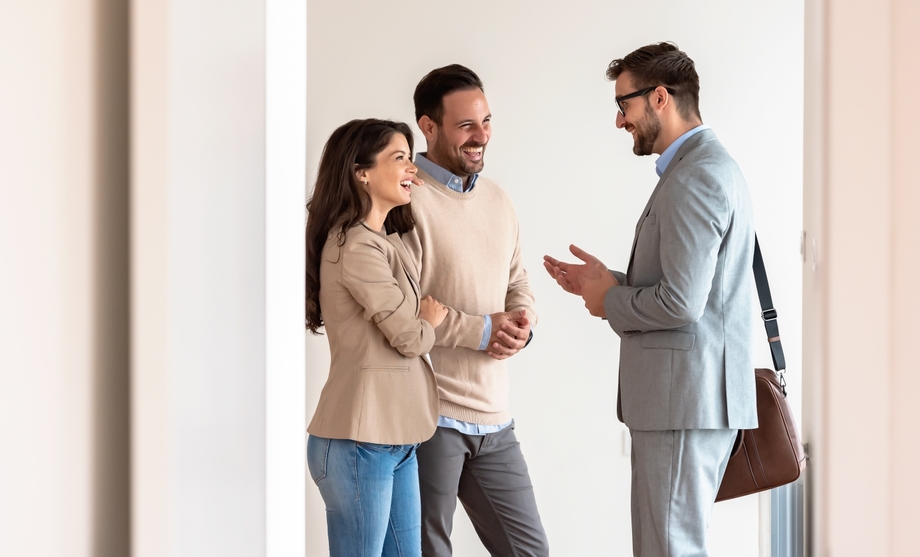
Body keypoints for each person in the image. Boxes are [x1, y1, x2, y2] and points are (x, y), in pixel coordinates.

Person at [542, 43, 758, 557]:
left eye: (625, 105)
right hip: (687, 401)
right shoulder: (703, 168)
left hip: (683, 402)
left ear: (659, 97)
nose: (620, 121)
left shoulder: (696, 176)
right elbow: (692, 284)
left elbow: (682, 303)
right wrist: (605, 282)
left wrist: (610, 301)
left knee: (669, 548)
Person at [402, 65, 549, 556]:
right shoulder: (405, 201)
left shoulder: (498, 200)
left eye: (486, 122)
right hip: (430, 414)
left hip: (494, 418)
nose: (481, 136)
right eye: (466, 125)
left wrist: (520, 326)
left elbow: (516, 279)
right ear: (428, 126)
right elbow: (405, 313)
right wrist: (484, 330)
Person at [305, 118, 449, 557]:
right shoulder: (355, 246)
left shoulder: (383, 241)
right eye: (400, 158)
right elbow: (409, 336)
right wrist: (428, 320)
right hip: (359, 441)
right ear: (361, 172)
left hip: (394, 436)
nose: (413, 168)